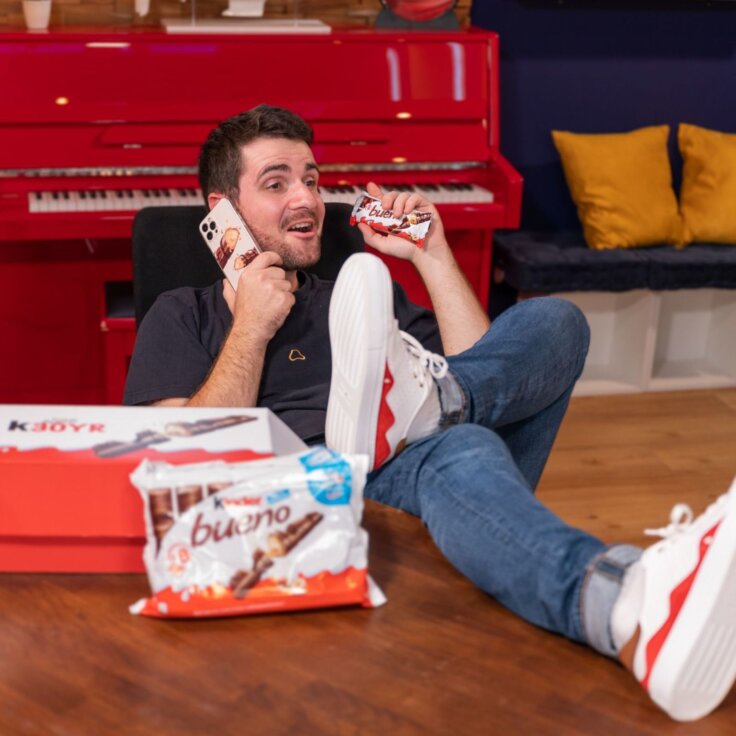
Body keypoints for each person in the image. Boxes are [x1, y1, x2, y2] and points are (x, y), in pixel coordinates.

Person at [124, 105, 736, 722]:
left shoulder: (355, 294)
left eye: (311, 178)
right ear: (223, 211)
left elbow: (497, 375)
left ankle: (434, 405)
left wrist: (433, 255)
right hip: (307, 502)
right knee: (460, 447)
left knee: (556, 322)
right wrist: (252, 327)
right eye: (276, 183)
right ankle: (629, 605)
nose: (306, 199)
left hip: (431, 456)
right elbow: (182, 454)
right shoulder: (184, 313)